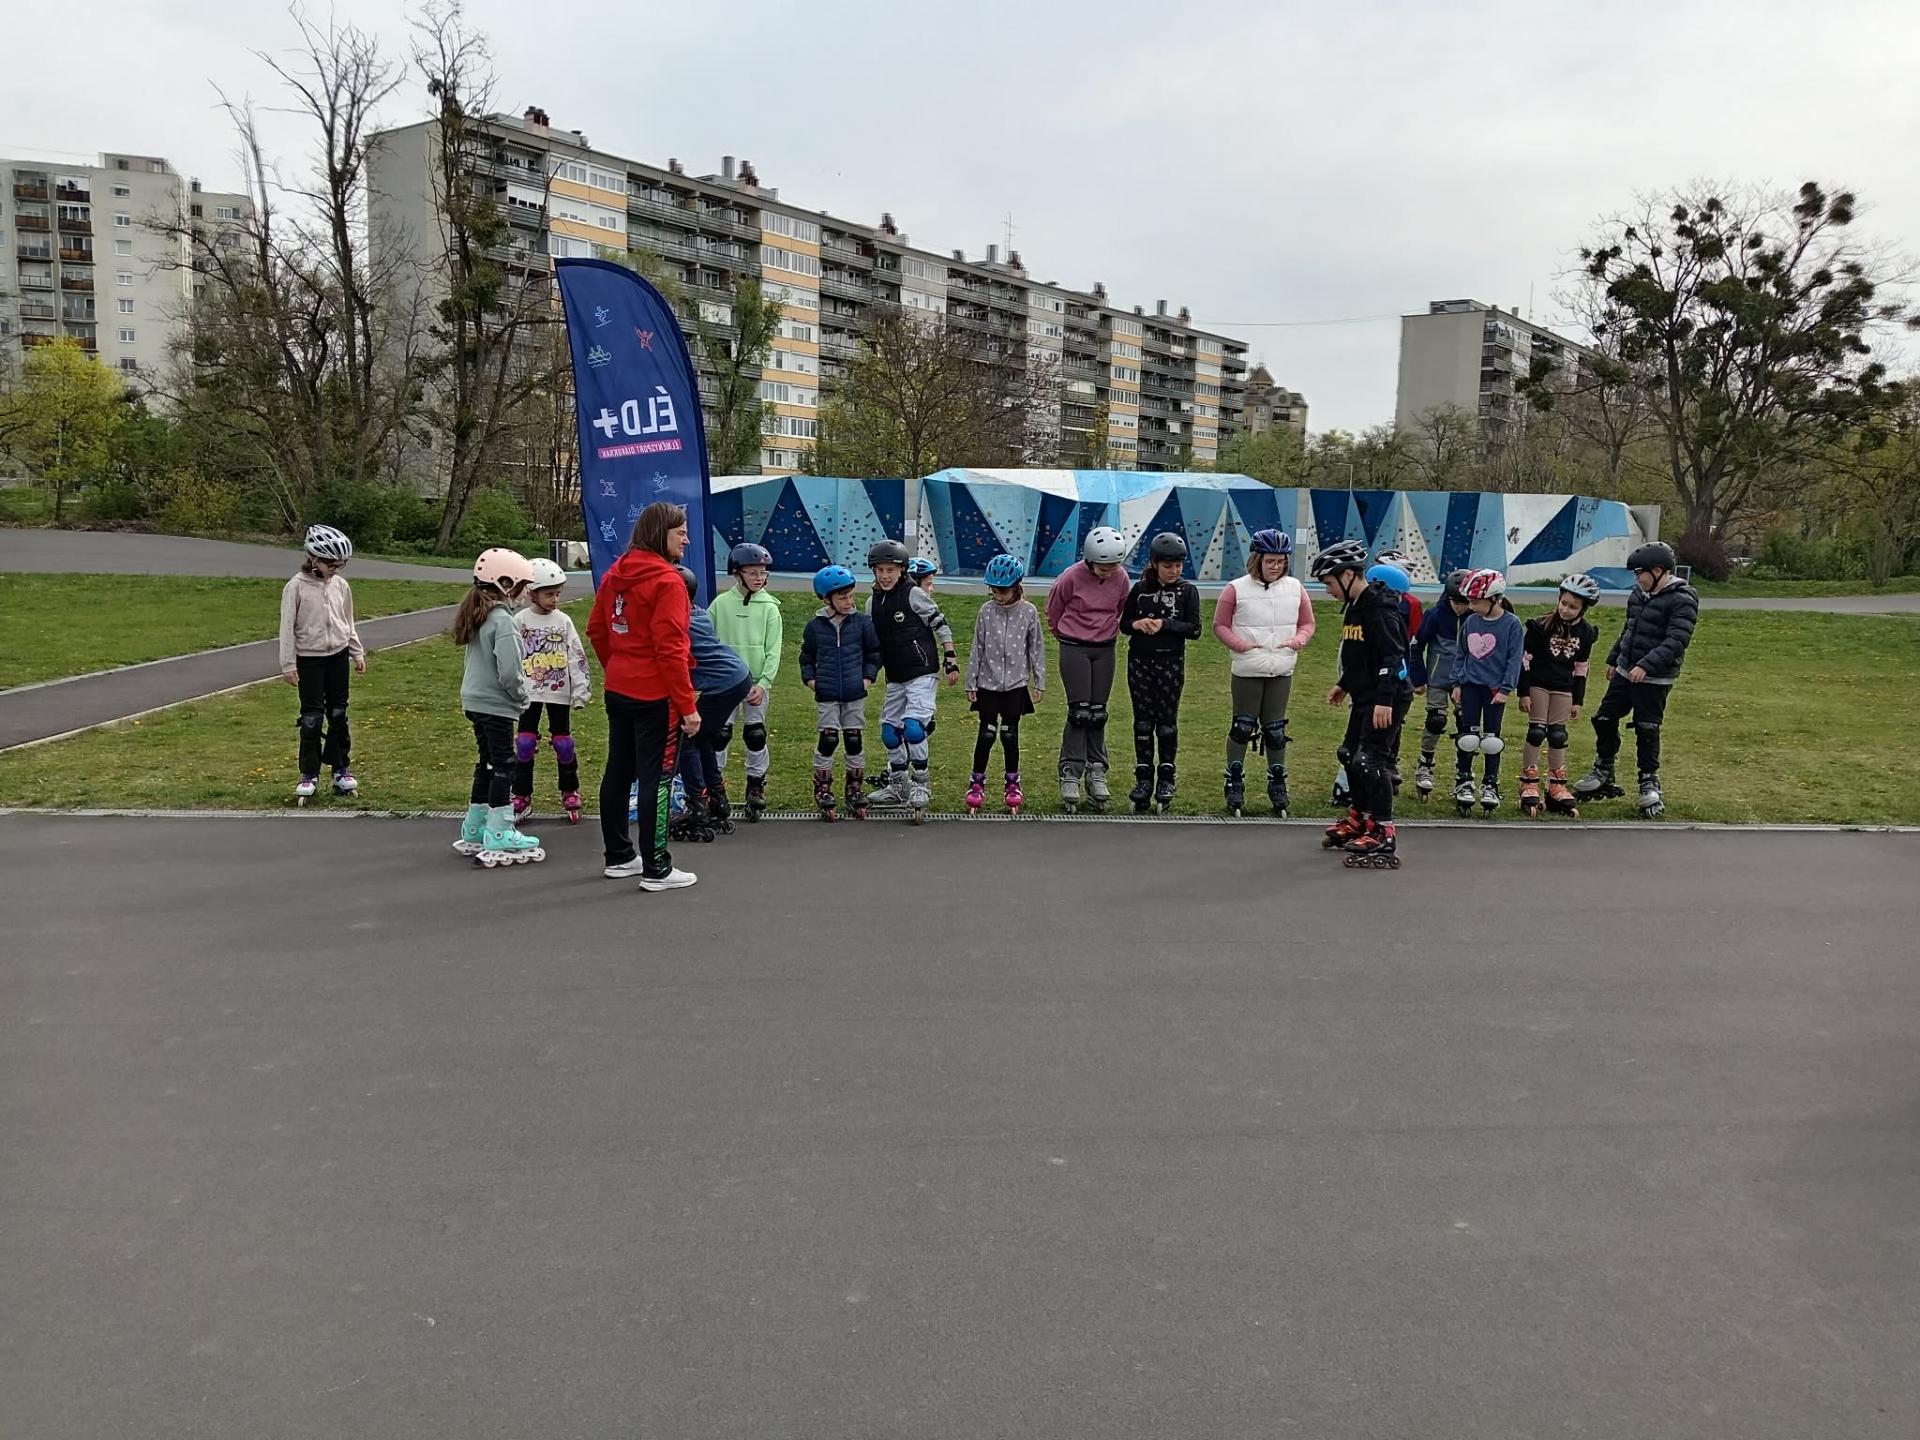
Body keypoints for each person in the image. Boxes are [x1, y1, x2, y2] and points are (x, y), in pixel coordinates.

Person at [586, 501, 700, 892]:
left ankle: (619, 856)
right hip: (656, 695)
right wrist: (687, 706)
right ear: (660, 534)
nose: (686, 539)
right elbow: (671, 648)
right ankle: (657, 868)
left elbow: (597, 630)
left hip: (619, 689)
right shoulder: (668, 582)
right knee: (658, 778)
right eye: (680, 532)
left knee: (618, 770)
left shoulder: (615, 573)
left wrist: (618, 666)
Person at [1573, 541, 1699, 818]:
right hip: (1625, 671)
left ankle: (1649, 781)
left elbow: (1677, 640)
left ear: (1658, 570)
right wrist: (1614, 658)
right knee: (1603, 718)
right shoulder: (1638, 594)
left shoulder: (1682, 599)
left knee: (1647, 727)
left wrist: (1645, 665)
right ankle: (1603, 770)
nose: (1637, 578)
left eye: (1640, 572)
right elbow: (1629, 629)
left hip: (1654, 678)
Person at [1313, 540, 1413, 867]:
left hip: (1387, 698)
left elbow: (1392, 655)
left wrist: (1384, 700)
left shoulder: (1379, 608)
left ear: (1348, 575)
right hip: (1365, 695)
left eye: (1329, 583)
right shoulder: (1355, 606)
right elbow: (1360, 655)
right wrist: (1344, 684)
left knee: (1371, 761)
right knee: (1349, 755)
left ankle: (1383, 831)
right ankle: (1361, 817)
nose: (1328, 590)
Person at [1213, 528, 1314, 816]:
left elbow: (1307, 623)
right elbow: (1220, 625)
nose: (1276, 567)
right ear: (1257, 560)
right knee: (1242, 726)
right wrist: (1240, 645)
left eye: (1281, 562)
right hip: (1248, 668)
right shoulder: (1236, 589)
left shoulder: (1295, 588)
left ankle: (1277, 780)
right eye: (1270, 561)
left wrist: (1299, 640)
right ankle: (1234, 779)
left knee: (1275, 730)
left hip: (1281, 667)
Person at [452, 548, 542, 866]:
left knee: (487, 762)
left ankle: (476, 826)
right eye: (523, 586)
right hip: (495, 704)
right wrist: (522, 698)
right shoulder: (503, 621)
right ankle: (501, 829)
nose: (525, 593)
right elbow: (509, 672)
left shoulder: (480, 615)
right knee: (505, 765)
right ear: (505, 584)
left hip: (475, 701)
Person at [865, 538, 959, 822]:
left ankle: (921, 783)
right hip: (896, 676)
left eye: (890, 570)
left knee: (914, 728)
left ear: (902, 570)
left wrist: (950, 658)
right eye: (880, 570)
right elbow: (872, 643)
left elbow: (940, 624)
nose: (885, 576)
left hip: (922, 670)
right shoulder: (872, 603)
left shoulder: (913, 594)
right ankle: (898, 786)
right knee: (889, 732)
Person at [1045, 525, 1131, 812]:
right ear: (1090, 560)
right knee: (1079, 712)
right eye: (1104, 567)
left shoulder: (1121, 578)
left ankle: (1097, 770)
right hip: (1074, 646)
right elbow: (1054, 608)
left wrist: (1103, 631)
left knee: (1098, 713)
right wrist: (1065, 634)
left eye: (1114, 566)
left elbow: (1120, 607)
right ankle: (1070, 771)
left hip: (1104, 647)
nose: (1109, 572)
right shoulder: (1071, 577)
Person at [279, 523, 366, 803]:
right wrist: (288, 664)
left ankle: (341, 768)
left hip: (338, 655)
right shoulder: (296, 587)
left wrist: (357, 652)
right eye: (331, 564)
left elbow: (347, 621)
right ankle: (309, 773)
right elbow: (287, 628)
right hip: (309, 659)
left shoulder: (341, 586)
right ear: (313, 558)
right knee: (312, 718)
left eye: (340, 565)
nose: (335, 569)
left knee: (339, 713)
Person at [671, 565, 754, 843]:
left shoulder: (681, 623)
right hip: (736, 677)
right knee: (702, 739)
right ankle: (717, 798)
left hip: (725, 684)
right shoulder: (698, 613)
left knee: (687, 738)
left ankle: (698, 803)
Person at [1121, 532, 1202, 812]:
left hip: (1170, 663)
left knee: (1166, 723)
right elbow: (1124, 623)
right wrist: (1138, 624)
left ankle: (1166, 777)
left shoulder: (1187, 591)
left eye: (1178, 565)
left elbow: (1194, 629)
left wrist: (1165, 624)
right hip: (1140, 662)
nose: (1174, 571)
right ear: (1155, 563)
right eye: (1168, 566)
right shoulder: (1140, 589)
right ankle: (1143, 778)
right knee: (1143, 723)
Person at [964, 553, 1047, 816]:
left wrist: (1039, 681)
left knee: (1010, 735)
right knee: (987, 734)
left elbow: (1036, 648)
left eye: (1003, 590)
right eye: (994, 590)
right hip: (988, 684)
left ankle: (1012, 783)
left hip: (1015, 684)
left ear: (1016, 586)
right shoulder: (986, 611)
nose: (998, 595)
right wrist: (971, 681)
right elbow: (977, 647)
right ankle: (976, 782)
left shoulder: (1029, 612)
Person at [511, 557, 591, 825]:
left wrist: (580, 691)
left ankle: (570, 789)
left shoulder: (563, 621)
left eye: (558, 593)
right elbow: (510, 655)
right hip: (529, 691)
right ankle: (521, 793)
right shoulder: (520, 620)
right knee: (524, 743)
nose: (555, 599)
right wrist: (509, 688)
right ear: (532, 592)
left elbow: (576, 656)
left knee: (563, 743)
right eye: (549, 594)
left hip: (559, 690)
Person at [800, 564, 882, 821]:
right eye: (843, 597)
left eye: (850, 596)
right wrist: (811, 681)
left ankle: (854, 787)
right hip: (827, 693)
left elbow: (874, 653)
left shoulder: (862, 624)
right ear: (827, 599)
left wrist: (867, 678)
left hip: (854, 692)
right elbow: (806, 657)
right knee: (828, 739)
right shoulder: (815, 627)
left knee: (854, 738)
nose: (849, 602)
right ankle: (822, 786)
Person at [708, 542, 782, 822]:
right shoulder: (720, 605)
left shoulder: (770, 608)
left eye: (762, 573)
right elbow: (710, 642)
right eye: (752, 573)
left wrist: (764, 683)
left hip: (755, 685)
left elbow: (773, 650)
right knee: (719, 735)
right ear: (737, 574)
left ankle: (755, 784)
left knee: (755, 734)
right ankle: (715, 786)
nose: (759, 578)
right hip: (725, 684)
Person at [1516, 573, 1601, 817]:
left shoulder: (1586, 632)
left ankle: (1556, 784)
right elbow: (1525, 660)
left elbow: (1581, 667)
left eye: (1572, 607)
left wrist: (1578, 700)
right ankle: (1528, 781)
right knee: (1536, 731)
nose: (1565, 609)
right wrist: (1523, 692)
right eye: (1563, 603)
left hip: (1564, 687)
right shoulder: (1541, 626)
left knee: (1558, 734)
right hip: (1539, 684)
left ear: (1583, 608)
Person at [1449, 568, 1524, 816]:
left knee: (1492, 740)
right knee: (1468, 737)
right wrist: (1457, 683)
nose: (1471, 606)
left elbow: (1514, 659)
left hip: (1494, 690)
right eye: (1469, 601)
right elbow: (1461, 654)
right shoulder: (1471, 622)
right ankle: (1464, 780)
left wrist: (1506, 689)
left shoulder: (1511, 624)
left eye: (1475, 602)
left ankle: (1490, 783)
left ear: (1494, 599)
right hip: (1471, 686)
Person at [1408, 570, 1470, 801]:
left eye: (1466, 603)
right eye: (1457, 602)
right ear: (1448, 597)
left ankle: (1464, 772)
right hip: (1437, 678)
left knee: (1466, 724)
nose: (1461, 608)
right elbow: (1417, 646)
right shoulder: (1435, 614)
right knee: (1436, 720)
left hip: (1464, 680)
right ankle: (1425, 764)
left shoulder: (1475, 617)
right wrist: (1419, 678)